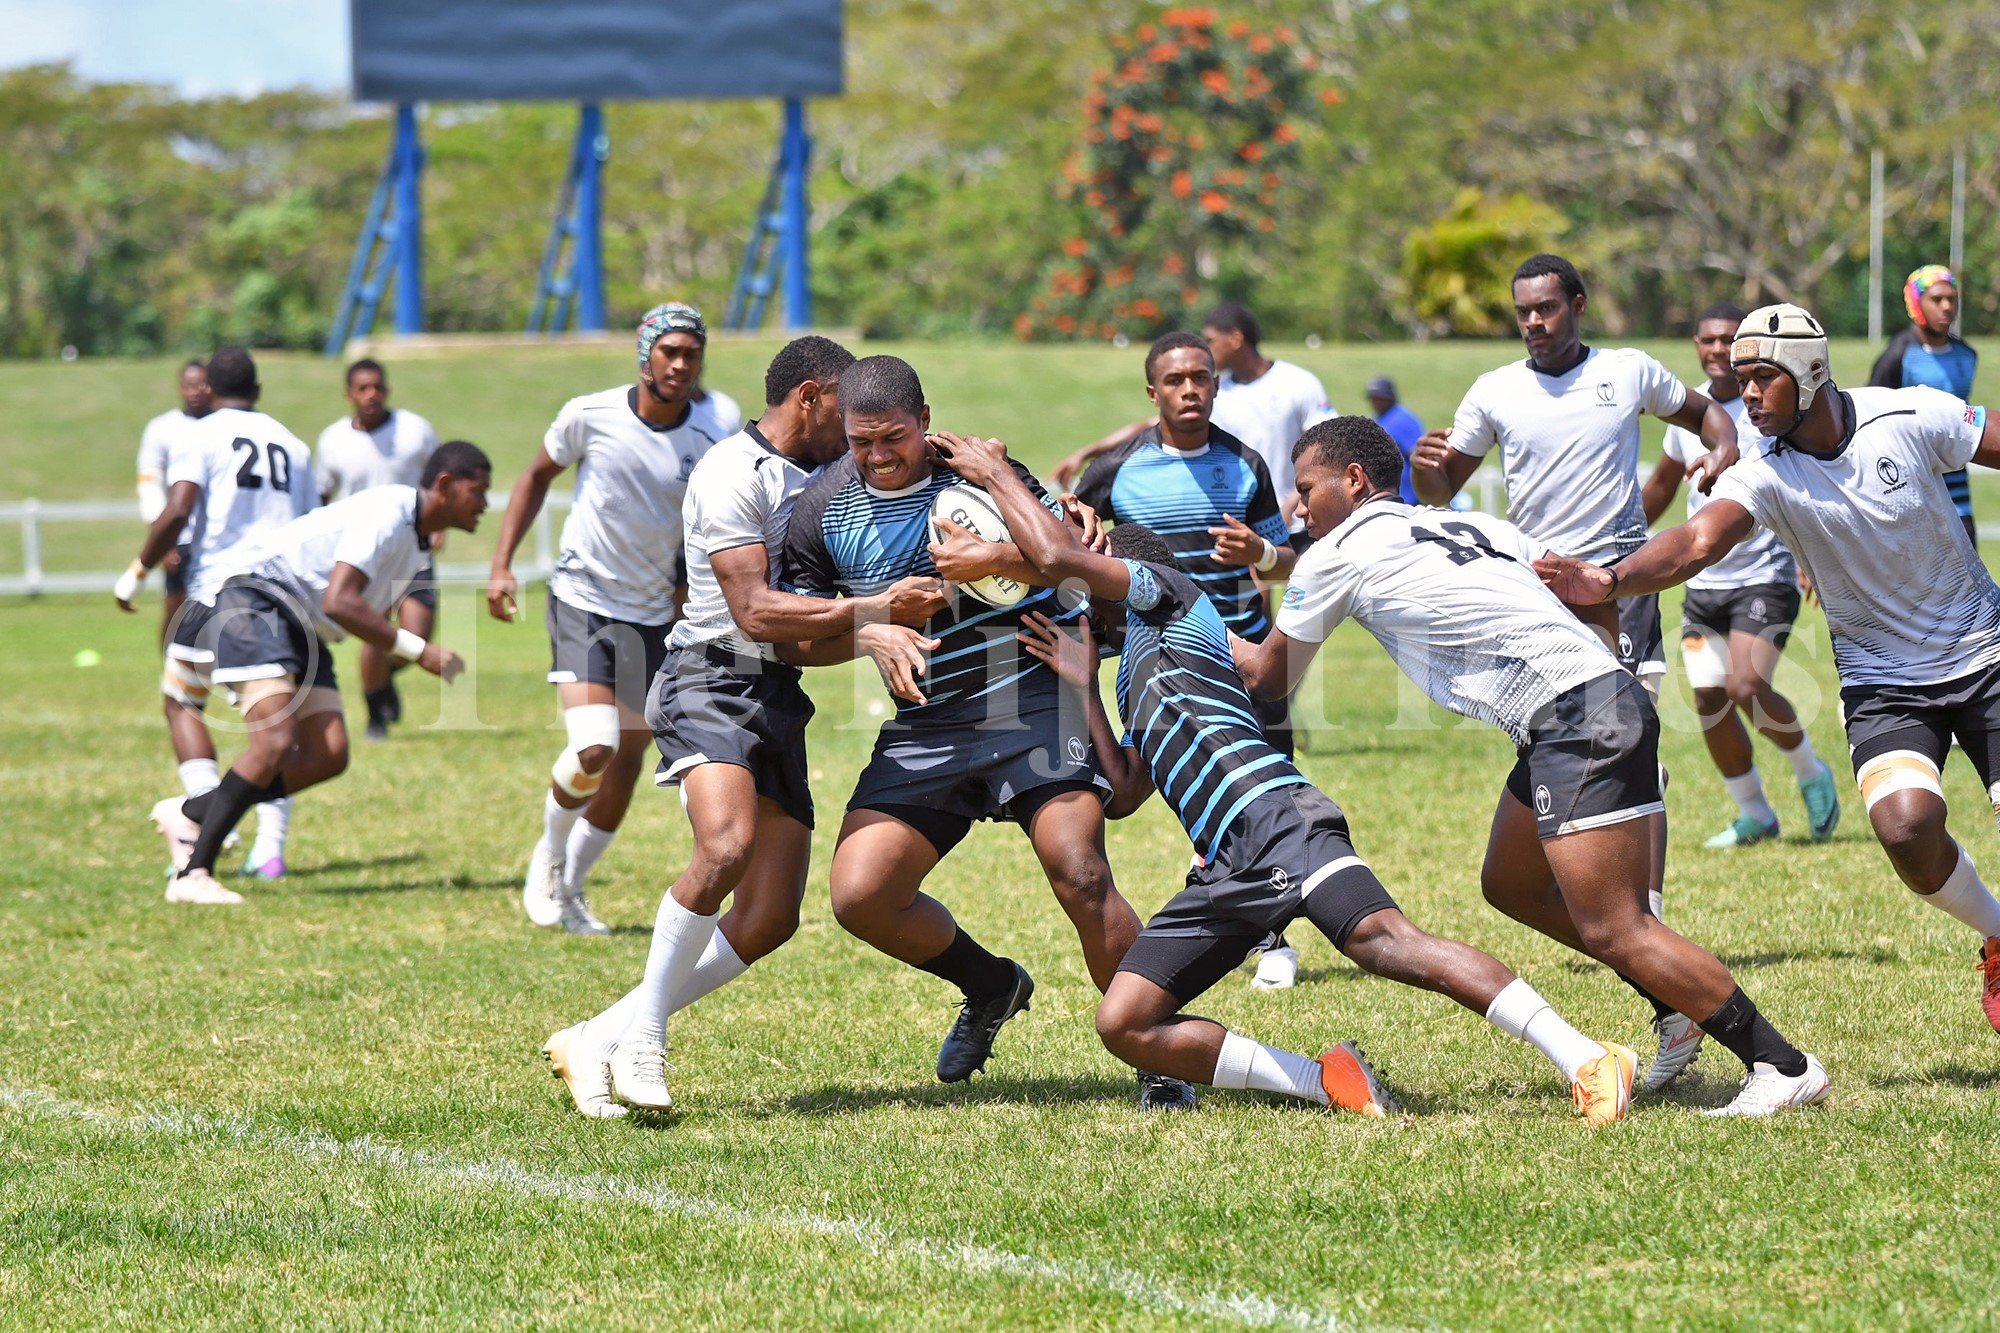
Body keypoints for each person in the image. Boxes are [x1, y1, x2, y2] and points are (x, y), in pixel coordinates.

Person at [935, 431, 1642, 1126]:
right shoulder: (1132, 677)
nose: (1077, 604)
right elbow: (1121, 793)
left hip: (1277, 819)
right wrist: (1084, 683)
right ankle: (1327, 1081)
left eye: (1090, 590)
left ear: (1118, 575)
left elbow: (1061, 560)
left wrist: (996, 473)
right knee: (1124, 1021)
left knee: (1387, 942)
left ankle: (1585, 1056)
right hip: (1224, 862)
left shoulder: (1172, 600)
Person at [1246, 416, 1830, 1115]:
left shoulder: (1337, 551)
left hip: (1577, 721)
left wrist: (1179, 612)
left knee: (1619, 928)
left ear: (1354, 480)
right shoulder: (1474, 525)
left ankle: (1780, 1062)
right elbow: (1585, 589)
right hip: (1583, 710)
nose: (1296, 505)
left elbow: (1268, 678)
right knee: (1512, 882)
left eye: (1306, 488)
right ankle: (1675, 1005)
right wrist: (1615, 691)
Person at [1539, 302, 2000, 1040]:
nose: (1744, 392)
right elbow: (1693, 542)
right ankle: (1996, 934)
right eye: (1742, 378)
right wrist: (1610, 578)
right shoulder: (1766, 470)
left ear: (1810, 373)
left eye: (1761, 377)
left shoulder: (1911, 415)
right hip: (1883, 680)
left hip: (1986, 655)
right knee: (1907, 829)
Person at [544, 337, 954, 1116]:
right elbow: (755, 611)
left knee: (768, 917)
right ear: (810, 397)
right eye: (848, 409)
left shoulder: (836, 478)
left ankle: (597, 1033)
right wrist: (874, 614)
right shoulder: (734, 472)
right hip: (708, 676)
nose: (862, 430)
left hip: (776, 690)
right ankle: (645, 1041)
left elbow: (802, 637)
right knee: (725, 846)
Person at [781, 354, 1191, 1108]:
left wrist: (993, 559)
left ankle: (1160, 1052)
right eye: (860, 440)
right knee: (860, 894)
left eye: (892, 438)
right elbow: (792, 638)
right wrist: (872, 625)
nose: (876, 455)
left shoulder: (978, 473)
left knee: (1081, 869)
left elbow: (1071, 561)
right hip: (930, 717)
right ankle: (991, 983)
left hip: (1030, 688)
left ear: (926, 420)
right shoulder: (818, 508)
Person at [488, 303, 741, 935]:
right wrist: (501, 564)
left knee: (629, 759)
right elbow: (535, 477)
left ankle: (570, 888)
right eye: (670, 351)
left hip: (658, 612)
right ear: (645, 354)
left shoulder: (720, 422)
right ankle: (547, 857)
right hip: (584, 598)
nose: (681, 364)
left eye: (691, 352)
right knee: (593, 744)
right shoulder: (589, 414)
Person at [1071, 330, 1307, 989]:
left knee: (1267, 790)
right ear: (1153, 391)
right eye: (1175, 381)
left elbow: (1290, 558)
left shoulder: (1244, 464)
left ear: (1215, 384)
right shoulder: (1119, 469)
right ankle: (1226, 911)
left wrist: (1259, 555)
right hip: (1166, 660)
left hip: (1245, 652)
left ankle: (1274, 937)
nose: (1190, 390)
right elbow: (1078, 544)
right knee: (1195, 791)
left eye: (1201, 378)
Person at [159, 442, 489, 904]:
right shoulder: (390, 512)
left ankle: (192, 811)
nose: (485, 504)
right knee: (273, 743)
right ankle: (193, 876)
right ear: (445, 486)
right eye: (478, 492)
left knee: (327, 754)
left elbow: (352, 610)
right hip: (257, 598)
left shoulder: (417, 541)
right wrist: (418, 650)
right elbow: (341, 601)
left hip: (301, 622)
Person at [1641, 303, 1840, 848]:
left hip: (1766, 577)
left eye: (1726, 340)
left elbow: (1809, 487)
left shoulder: (1771, 412)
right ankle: (1755, 812)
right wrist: (1626, 535)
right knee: (1708, 697)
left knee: (1746, 684)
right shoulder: (1689, 418)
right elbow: (1661, 486)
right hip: (1705, 588)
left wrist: (1811, 557)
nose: (1714, 350)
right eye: (1705, 340)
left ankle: (1810, 772)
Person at [118, 347, 315, 893]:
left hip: (218, 593)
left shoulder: (197, 435)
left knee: (186, 700)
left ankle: (200, 816)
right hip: (285, 595)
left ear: (209, 389)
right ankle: (268, 847)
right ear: (258, 387)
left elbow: (179, 508)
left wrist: (137, 569)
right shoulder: (294, 444)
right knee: (274, 731)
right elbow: (310, 523)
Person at [1050, 303, 1334, 526]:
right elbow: (1148, 427)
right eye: (1176, 380)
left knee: (1281, 590)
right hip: (1233, 512)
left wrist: (1291, 501)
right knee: (1251, 589)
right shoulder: (1212, 392)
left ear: (1235, 338)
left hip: (1299, 519)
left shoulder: (1297, 382)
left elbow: (1326, 449)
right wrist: (1086, 452)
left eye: (1211, 340)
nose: (1203, 349)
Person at [316, 358, 443, 741]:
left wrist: (440, 527)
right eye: (363, 388)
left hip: (413, 547)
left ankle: (381, 679)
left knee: (415, 638)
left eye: (378, 387)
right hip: (365, 554)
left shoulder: (415, 430)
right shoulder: (332, 440)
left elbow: (440, 479)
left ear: (386, 390)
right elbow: (320, 496)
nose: (371, 395)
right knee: (377, 630)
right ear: (349, 394)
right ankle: (376, 715)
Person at [1870, 265, 1978, 544]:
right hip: (1909, 493)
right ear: (1915, 303)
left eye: (1952, 299)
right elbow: (1870, 421)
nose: (1946, 307)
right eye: (1936, 299)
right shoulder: (1898, 355)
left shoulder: (1967, 355)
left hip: (1958, 495)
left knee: (1973, 582)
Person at [135, 359, 212, 647]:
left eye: (202, 384)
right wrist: (162, 536)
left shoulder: (224, 425)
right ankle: (171, 676)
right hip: (180, 536)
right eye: (190, 385)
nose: (196, 391)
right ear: (180, 387)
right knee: (175, 609)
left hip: (216, 534)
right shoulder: (162, 428)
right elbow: (149, 484)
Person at [1364, 376, 1424, 503]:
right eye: (1373, 398)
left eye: (1380, 397)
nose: (1375, 401)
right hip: (1388, 495)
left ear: (1390, 397)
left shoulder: (1403, 419)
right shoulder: (1379, 418)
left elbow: (1420, 456)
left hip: (1408, 497)